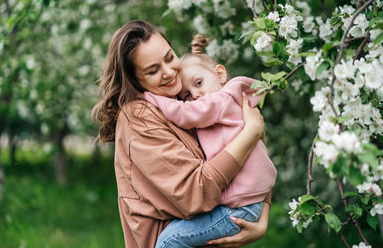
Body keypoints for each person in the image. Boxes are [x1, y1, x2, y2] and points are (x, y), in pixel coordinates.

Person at [91, 20, 271, 248]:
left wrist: (262, 216)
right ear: (135, 80)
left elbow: (255, 157)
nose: (168, 72)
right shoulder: (139, 117)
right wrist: (252, 131)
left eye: (169, 58)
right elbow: (195, 193)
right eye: (153, 70)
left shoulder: (185, 98)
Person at [143, 34, 277, 248]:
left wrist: (150, 98)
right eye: (186, 95)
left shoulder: (222, 100)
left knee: (169, 240)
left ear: (220, 74)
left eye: (199, 83)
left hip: (239, 208)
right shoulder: (224, 109)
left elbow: (185, 114)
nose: (195, 95)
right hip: (247, 203)